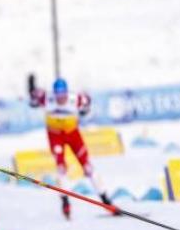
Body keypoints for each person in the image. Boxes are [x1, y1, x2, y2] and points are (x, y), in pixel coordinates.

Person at [29, 76, 116, 219]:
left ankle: (106, 200)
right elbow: (34, 97)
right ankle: (65, 202)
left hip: (72, 134)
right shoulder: (47, 98)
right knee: (61, 167)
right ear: (54, 94)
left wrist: (85, 110)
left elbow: (88, 101)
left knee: (87, 167)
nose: (60, 99)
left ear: (67, 93)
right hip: (55, 135)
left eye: (63, 95)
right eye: (58, 96)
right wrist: (31, 87)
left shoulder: (75, 98)